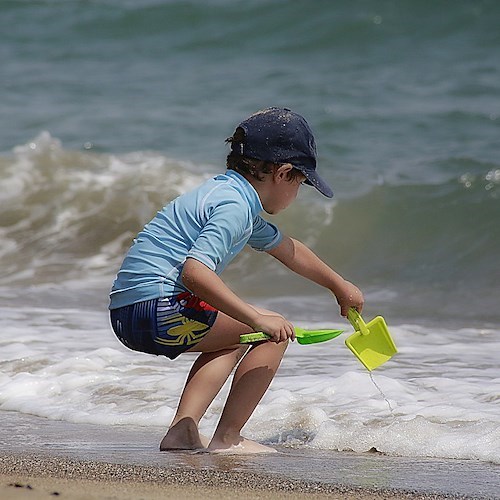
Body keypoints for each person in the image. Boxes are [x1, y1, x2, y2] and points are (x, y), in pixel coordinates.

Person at [109, 107, 364, 454]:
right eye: (301, 184)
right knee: (272, 331)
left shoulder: (225, 194)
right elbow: (195, 273)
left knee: (231, 338)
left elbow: (287, 249)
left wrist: (339, 285)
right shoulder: (234, 207)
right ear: (283, 173)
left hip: (128, 314)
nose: (297, 193)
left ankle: (182, 432)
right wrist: (255, 318)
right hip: (161, 309)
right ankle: (228, 438)